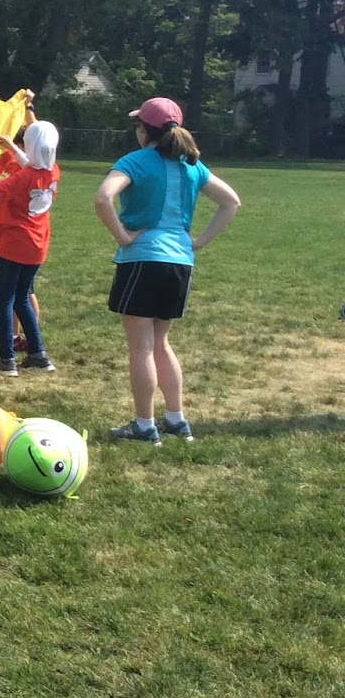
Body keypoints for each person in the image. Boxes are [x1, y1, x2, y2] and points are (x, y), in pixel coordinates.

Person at [95, 97, 241, 444]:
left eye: (137, 124)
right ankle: (176, 420)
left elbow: (103, 198)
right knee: (161, 342)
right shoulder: (192, 165)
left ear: (144, 130)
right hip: (180, 263)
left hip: (142, 260)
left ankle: (144, 426)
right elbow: (231, 202)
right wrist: (199, 242)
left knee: (141, 348)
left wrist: (123, 237)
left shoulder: (134, 161)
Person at [0, 121, 60, 376]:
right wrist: (13, 147)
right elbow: (31, 165)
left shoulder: (23, 177)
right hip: (37, 246)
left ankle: (7, 359)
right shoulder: (53, 170)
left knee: (5, 300)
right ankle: (38, 353)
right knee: (22, 297)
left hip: (14, 244)